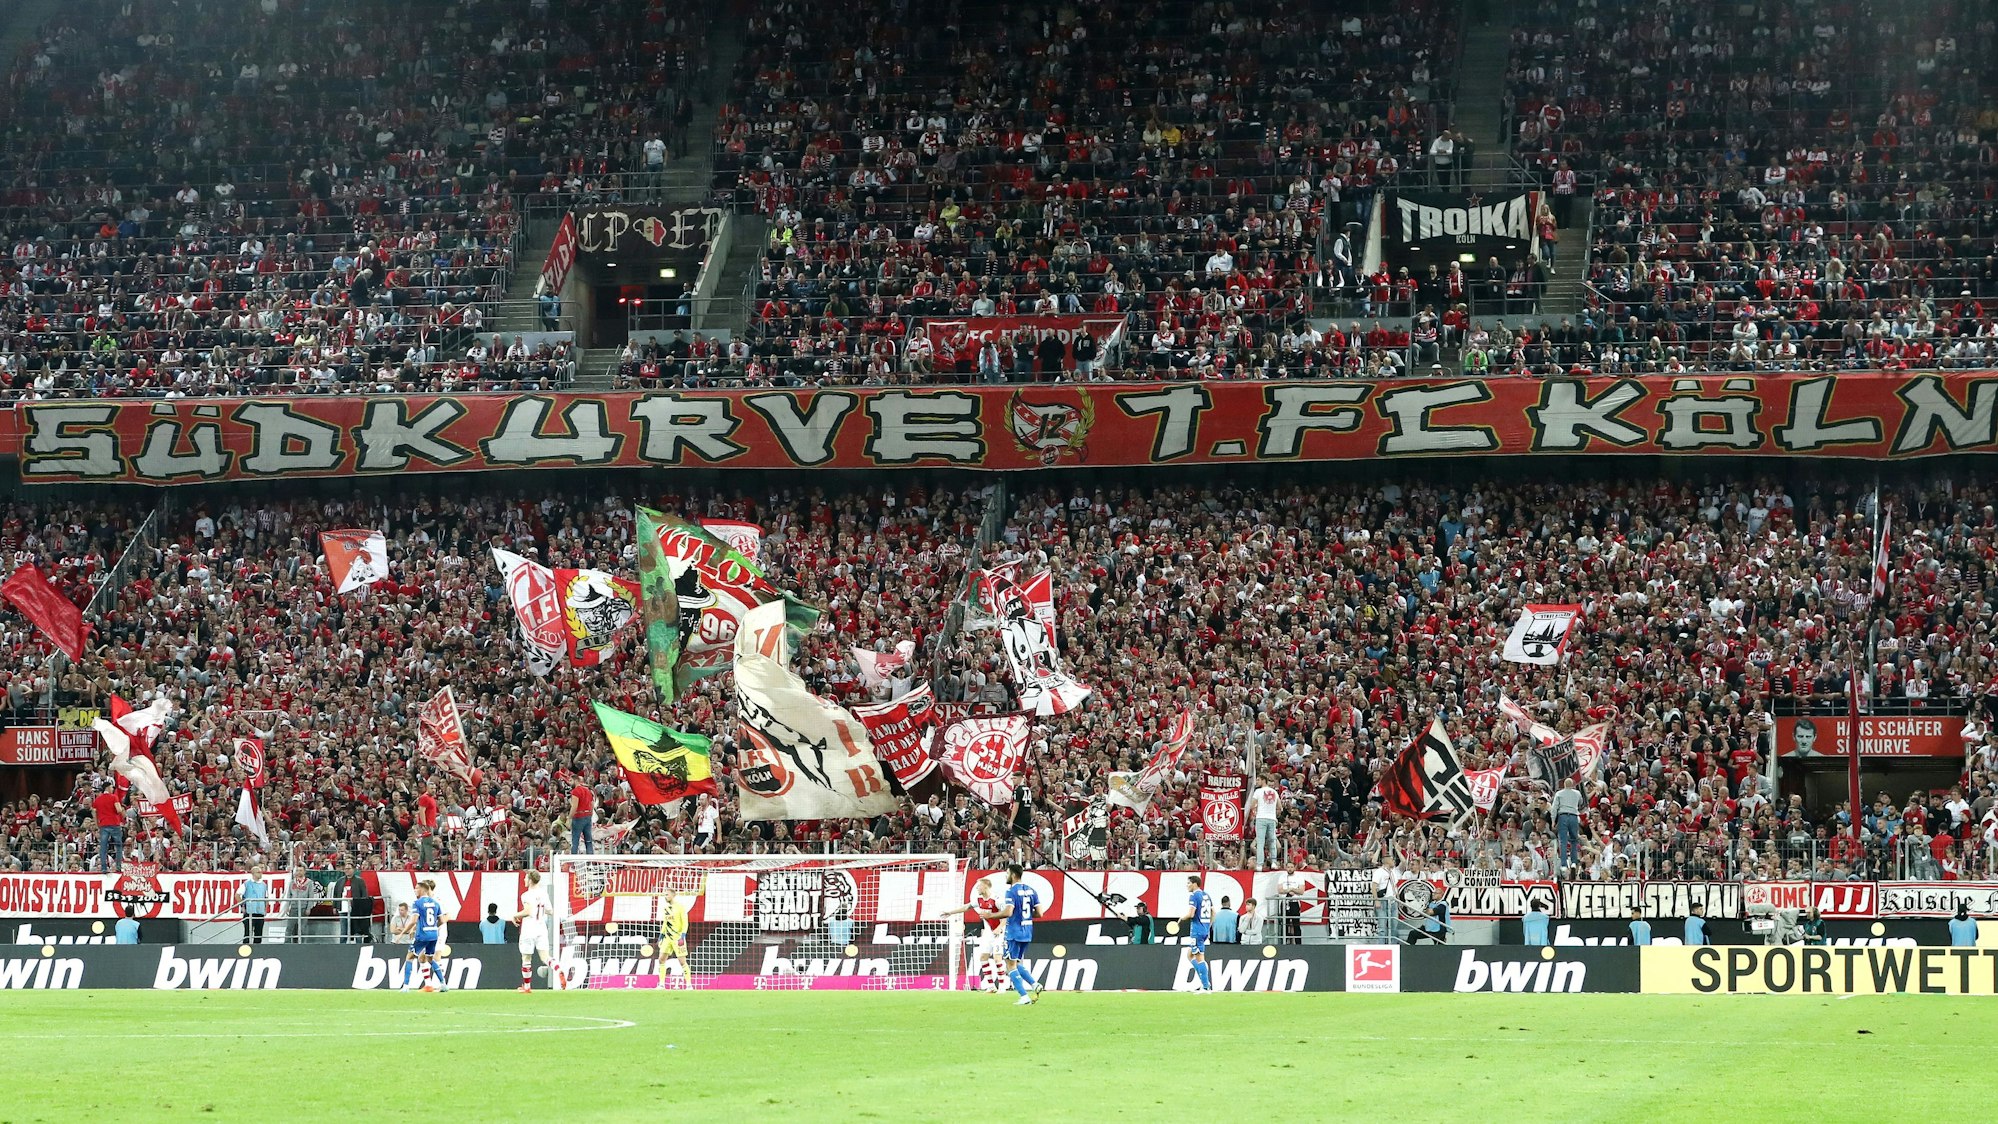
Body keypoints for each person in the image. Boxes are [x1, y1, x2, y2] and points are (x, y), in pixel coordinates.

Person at [942, 876, 1006, 991]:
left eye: (979, 886)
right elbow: (966, 907)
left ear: (985, 886)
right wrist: (950, 912)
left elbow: (1006, 915)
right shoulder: (979, 900)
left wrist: (1000, 928)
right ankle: (991, 986)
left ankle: (1002, 986)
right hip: (988, 933)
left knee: (997, 959)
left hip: (999, 933)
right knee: (983, 957)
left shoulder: (997, 899)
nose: (977, 888)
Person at [1001, 862, 1042, 1005]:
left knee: (1010, 965)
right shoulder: (1031, 890)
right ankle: (1034, 984)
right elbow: (1040, 913)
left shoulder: (1011, 891)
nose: (1006, 876)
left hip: (1014, 932)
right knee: (1016, 962)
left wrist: (990, 915)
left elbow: (1008, 912)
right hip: (1027, 932)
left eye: (1007, 873)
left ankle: (1024, 996)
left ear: (1013, 875)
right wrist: (1026, 916)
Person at [512, 870, 553, 992]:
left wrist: (515, 915)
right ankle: (558, 968)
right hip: (541, 928)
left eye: (526, 878)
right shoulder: (544, 894)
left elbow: (528, 911)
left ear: (530, 880)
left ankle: (527, 986)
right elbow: (550, 911)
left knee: (526, 958)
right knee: (545, 957)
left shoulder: (526, 895)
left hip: (529, 929)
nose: (524, 880)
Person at [409, 879, 448, 992]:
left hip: (438, 932)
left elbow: (447, 916)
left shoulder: (437, 901)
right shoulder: (422, 901)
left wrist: (434, 926)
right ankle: (428, 985)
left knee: (436, 957)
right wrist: (415, 929)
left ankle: (441, 984)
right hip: (425, 933)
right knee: (421, 957)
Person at [1182, 875, 1214, 992]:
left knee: (1200, 957)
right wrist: (1208, 926)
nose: (1187, 885)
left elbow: (1191, 914)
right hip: (1204, 929)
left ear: (1194, 884)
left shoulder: (1194, 895)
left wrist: (1182, 918)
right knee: (1190, 954)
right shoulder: (1206, 895)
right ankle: (1203, 980)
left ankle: (1205, 986)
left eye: (1188, 883)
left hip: (1196, 930)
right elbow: (1213, 912)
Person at [658, 890, 692, 989]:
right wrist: (661, 936)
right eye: (665, 895)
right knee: (661, 959)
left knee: (682, 961)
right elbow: (665, 923)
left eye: (667, 894)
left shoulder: (680, 907)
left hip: (677, 938)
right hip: (667, 938)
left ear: (673, 895)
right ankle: (661, 984)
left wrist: (683, 936)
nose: (665, 896)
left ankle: (689, 985)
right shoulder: (666, 908)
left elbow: (685, 922)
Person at [92, 784, 127, 873]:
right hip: (114, 823)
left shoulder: (97, 799)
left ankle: (104, 868)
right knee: (118, 846)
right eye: (111, 787)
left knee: (103, 847)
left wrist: (97, 824)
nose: (112, 789)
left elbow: (94, 813)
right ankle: (118, 867)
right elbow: (119, 810)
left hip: (103, 824)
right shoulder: (114, 797)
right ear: (107, 788)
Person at [1552, 778, 1583, 873]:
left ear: (1564, 785)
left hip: (1563, 816)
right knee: (1574, 840)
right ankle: (1573, 862)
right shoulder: (1577, 793)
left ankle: (1564, 864)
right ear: (1573, 785)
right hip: (1573, 816)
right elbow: (1581, 802)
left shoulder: (1559, 794)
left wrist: (1553, 821)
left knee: (1563, 841)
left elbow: (1554, 808)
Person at [1250, 780, 1281, 869]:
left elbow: (1252, 805)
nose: (1257, 782)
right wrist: (1273, 813)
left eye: (1258, 779)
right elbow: (1280, 807)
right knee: (1272, 841)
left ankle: (1260, 864)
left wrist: (1256, 809)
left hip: (1261, 818)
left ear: (1263, 780)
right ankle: (1274, 862)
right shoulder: (1274, 792)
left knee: (1260, 842)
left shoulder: (1258, 791)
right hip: (1272, 819)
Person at [239, 865, 270, 945]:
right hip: (249, 912)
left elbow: (266, 897)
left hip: (260, 912)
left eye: (261, 872)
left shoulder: (264, 885)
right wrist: (242, 906)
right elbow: (237, 895)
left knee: (258, 934)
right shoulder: (246, 883)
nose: (260, 874)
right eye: (258, 872)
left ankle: (257, 950)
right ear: (253, 873)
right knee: (247, 934)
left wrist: (265, 909)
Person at [389, 902, 417, 988]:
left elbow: (413, 930)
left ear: (407, 910)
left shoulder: (411, 918)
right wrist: (406, 930)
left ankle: (407, 982)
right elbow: (393, 930)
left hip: (408, 943)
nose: (400, 912)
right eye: (399, 910)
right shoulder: (395, 918)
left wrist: (400, 929)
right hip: (396, 943)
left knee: (408, 960)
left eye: (402, 910)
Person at [568, 779, 595, 854]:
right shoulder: (588, 790)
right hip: (588, 816)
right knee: (588, 841)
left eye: (571, 781)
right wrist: (590, 814)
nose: (569, 783)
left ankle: (573, 859)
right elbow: (592, 803)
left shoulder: (575, 791)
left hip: (578, 817)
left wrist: (569, 817)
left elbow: (574, 806)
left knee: (575, 841)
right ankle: (590, 859)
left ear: (576, 780)